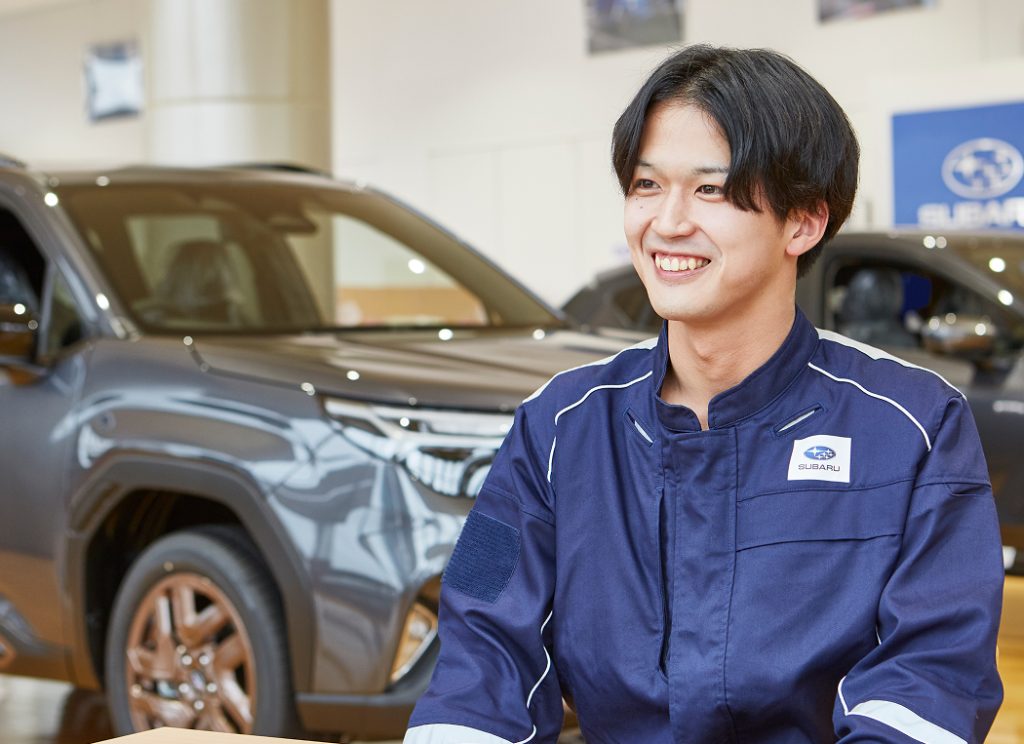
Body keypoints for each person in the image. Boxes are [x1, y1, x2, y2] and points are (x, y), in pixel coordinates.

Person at [404, 44, 1003, 743]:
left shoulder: (915, 425)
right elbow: (480, 648)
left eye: (710, 190)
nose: (666, 222)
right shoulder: (555, 426)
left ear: (804, 221)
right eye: (646, 184)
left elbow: (931, 681)